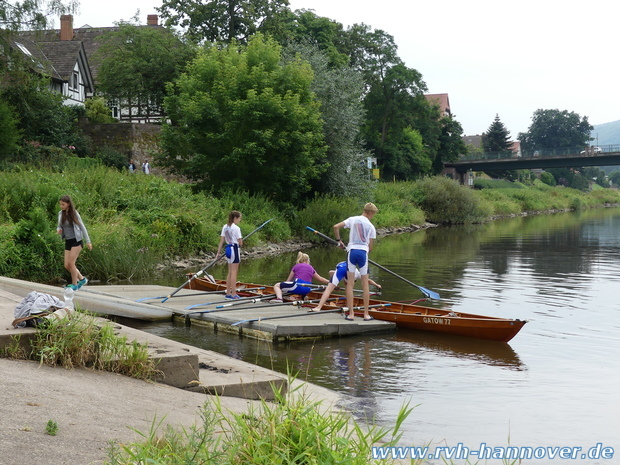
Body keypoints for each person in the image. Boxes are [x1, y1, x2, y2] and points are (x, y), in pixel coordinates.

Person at [334, 202, 378, 321]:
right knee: (365, 285)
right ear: (370, 213)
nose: (373, 216)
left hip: (352, 252)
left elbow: (335, 227)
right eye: (373, 214)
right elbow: (370, 248)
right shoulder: (371, 226)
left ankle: (351, 314)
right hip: (363, 254)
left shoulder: (352, 219)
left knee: (350, 284)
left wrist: (339, 241)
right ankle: (366, 315)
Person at [309, 261, 381, 312]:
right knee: (349, 289)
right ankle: (349, 306)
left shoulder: (344, 272)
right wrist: (377, 285)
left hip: (342, 268)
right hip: (349, 269)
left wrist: (333, 284)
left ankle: (318, 307)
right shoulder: (357, 274)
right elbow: (368, 280)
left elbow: (330, 272)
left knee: (328, 289)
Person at [56, 195, 92, 291]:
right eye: (60, 204)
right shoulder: (60, 214)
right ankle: (82, 279)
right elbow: (59, 226)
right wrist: (59, 229)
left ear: (68, 204)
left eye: (63, 204)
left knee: (71, 263)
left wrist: (88, 241)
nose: (61, 206)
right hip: (68, 240)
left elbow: (82, 227)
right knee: (66, 265)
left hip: (77, 240)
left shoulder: (74, 214)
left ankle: (74, 284)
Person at [216, 211, 243, 299]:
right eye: (239, 218)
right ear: (235, 218)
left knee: (230, 272)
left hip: (228, 249)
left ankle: (228, 293)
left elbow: (221, 241)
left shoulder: (225, 226)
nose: (240, 220)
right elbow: (240, 242)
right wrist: (241, 243)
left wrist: (218, 253)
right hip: (234, 249)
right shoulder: (236, 228)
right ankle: (234, 294)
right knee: (234, 272)